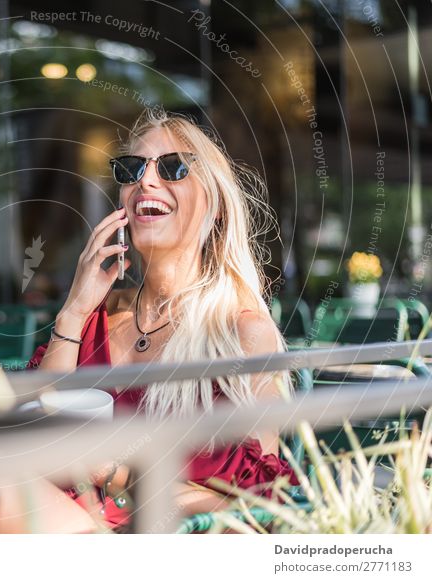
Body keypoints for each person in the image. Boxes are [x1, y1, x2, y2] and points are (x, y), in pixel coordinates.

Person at [25, 108, 297, 529]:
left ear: (218, 207)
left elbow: (265, 507)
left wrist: (121, 476)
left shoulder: (240, 333)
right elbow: (36, 427)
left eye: (174, 167)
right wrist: (75, 310)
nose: (145, 182)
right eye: (131, 169)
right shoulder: (95, 318)